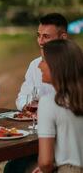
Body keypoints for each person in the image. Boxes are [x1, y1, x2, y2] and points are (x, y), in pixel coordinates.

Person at [33, 39, 83, 173]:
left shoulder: (49, 102)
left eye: (43, 60)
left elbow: (45, 162)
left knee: (14, 167)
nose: (39, 66)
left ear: (56, 66)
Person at [16, 13, 68, 111]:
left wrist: (43, 110)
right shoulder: (35, 65)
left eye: (46, 36)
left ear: (63, 37)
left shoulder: (76, 65)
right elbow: (21, 98)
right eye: (38, 36)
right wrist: (28, 107)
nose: (40, 41)